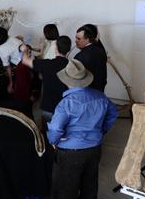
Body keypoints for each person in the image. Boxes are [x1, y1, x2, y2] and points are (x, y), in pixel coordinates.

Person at [47, 59, 117, 199]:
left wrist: (53, 141)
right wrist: (102, 130)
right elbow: (113, 113)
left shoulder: (66, 103)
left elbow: (55, 128)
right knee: (89, 186)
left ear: (66, 80)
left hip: (70, 152)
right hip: (95, 148)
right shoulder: (100, 96)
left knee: (66, 189)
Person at [20, 36, 70, 124]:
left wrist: (24, 50)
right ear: (68, 50)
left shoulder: (47, 64)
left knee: (48, 130)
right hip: (66, 108)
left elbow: (25, 60)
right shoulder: (73, 66)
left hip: (49, 107)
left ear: (56, 49)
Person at [0, 27, 22, 95]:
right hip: (27, 61)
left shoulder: (2, 49)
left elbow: (7, 66)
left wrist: (10, 82)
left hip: (20, 66)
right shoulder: (11, 37)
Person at [74, 24, 108, 92]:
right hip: (99, 92)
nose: (76, 41)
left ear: (88, 39)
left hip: (85, 94)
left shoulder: (80, 57)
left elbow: (75, 82)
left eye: (79, 39)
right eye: (76, 38)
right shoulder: (101, 51)